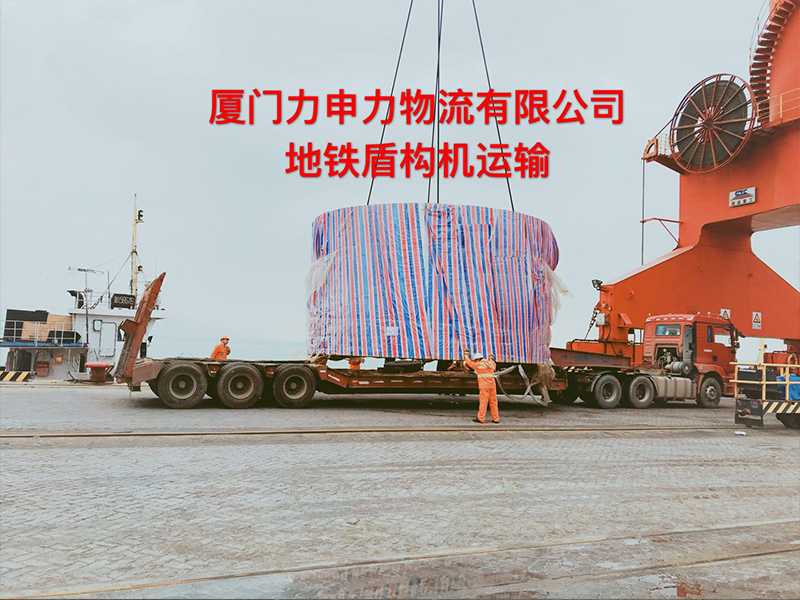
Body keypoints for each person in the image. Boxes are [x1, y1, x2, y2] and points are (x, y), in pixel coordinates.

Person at [464, 349, 499, 424]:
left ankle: (481, 418)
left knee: (483, 402)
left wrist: (466, 355)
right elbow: (493, 363)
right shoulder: (490, 363)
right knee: (494, 402)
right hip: (492, 386)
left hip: (484, 386)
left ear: (477, 359)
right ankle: (496, 419)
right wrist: (491, 358)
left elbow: (469, 362)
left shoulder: (478, 364)